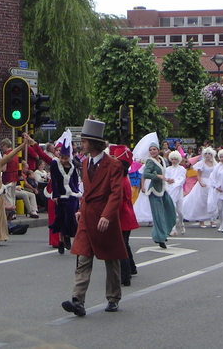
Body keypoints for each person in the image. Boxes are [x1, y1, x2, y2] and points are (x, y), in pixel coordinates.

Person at [61, 119, 128, 316]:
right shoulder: (84, 163)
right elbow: (87, 190)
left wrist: (107, 215)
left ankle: (113, 297)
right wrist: (82, 207)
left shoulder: (113, 165)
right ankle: (77, 300)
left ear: (94, 143)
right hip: (87, 217)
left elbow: (116, 193)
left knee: (111, 259)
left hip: (104, 219)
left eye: (84, 141)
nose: (81, 144)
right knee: (83, 259)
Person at [48, 130, 81, 254]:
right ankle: (61, 240)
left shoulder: (73, 165)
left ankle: (68, 236)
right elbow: (55, 180)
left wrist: (77, 193)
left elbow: (75, 179)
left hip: (71, 195)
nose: (63, 160)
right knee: (61, 218)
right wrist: (55, 195)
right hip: (60, 195)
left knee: (70, 217)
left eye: (65, 158)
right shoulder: (55, 164)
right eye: (61, 157)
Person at [110, 145, 139, 287]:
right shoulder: (123, 178)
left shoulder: (120, 182)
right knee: (125, 244)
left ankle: (125, 275)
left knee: (120, 246)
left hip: (122, 217)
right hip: (127, 216)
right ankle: (132, 268)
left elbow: (118, 203)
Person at [181, 147, 218, 228]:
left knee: (212, 201)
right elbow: (199, 174)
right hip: (203, 183)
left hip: (212, 184)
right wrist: (201, 183)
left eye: (209, 154)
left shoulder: (215, 164)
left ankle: (212, 220)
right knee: (202, 202)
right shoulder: (202, 163)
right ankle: (202, 220)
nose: (208, 155)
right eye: (206, 154)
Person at [165, 150, 186, 236]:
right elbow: (166, 179)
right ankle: (173, 228)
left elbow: (182, 179)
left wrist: (174, 183)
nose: (174, 161)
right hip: (170, 191)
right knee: (172, 210)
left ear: (178, 160)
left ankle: (181, 224)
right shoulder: (167, 169)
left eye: (175, 159)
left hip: (178, 191)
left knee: (180, 211)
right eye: (172, 159)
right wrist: (168, 184)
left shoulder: (182, 169)